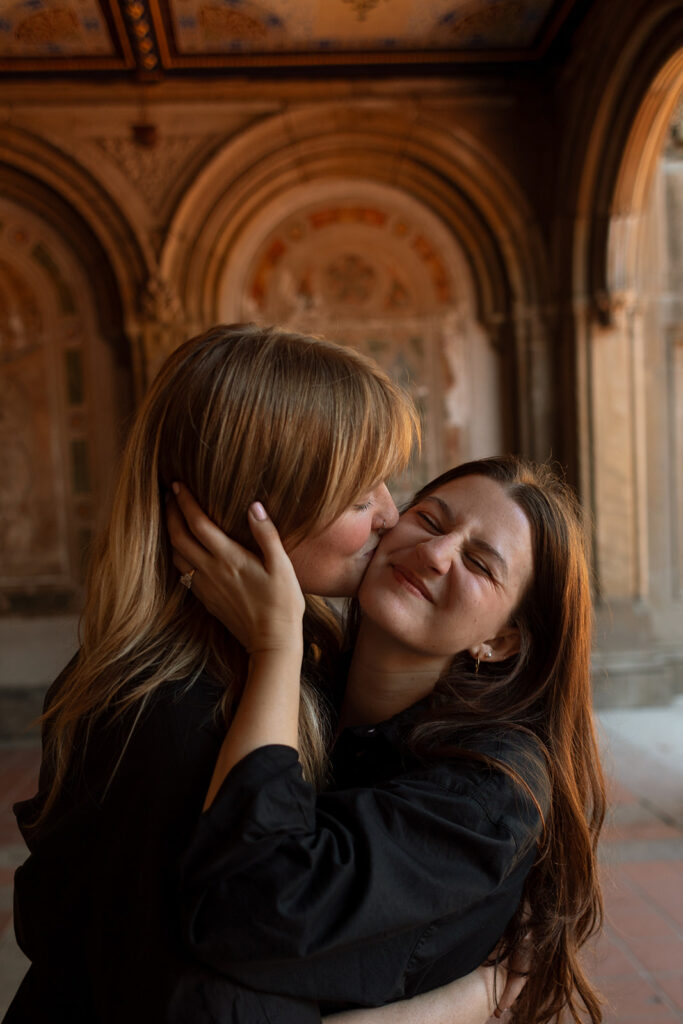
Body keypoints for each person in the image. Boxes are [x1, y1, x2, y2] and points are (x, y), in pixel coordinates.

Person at [7, 324, 518, 1024]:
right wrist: (470, 1000)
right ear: (257, 509)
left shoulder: (292, 655)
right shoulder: (174, 714)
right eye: (357, 496)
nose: (390, 518)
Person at [168, 456, 606, 1024]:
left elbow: (245, 908)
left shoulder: (488, 791)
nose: (435, 553)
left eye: (478, 562)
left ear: (500, 642)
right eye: (428, 519)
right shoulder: (307, 684)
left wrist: (274, 647)